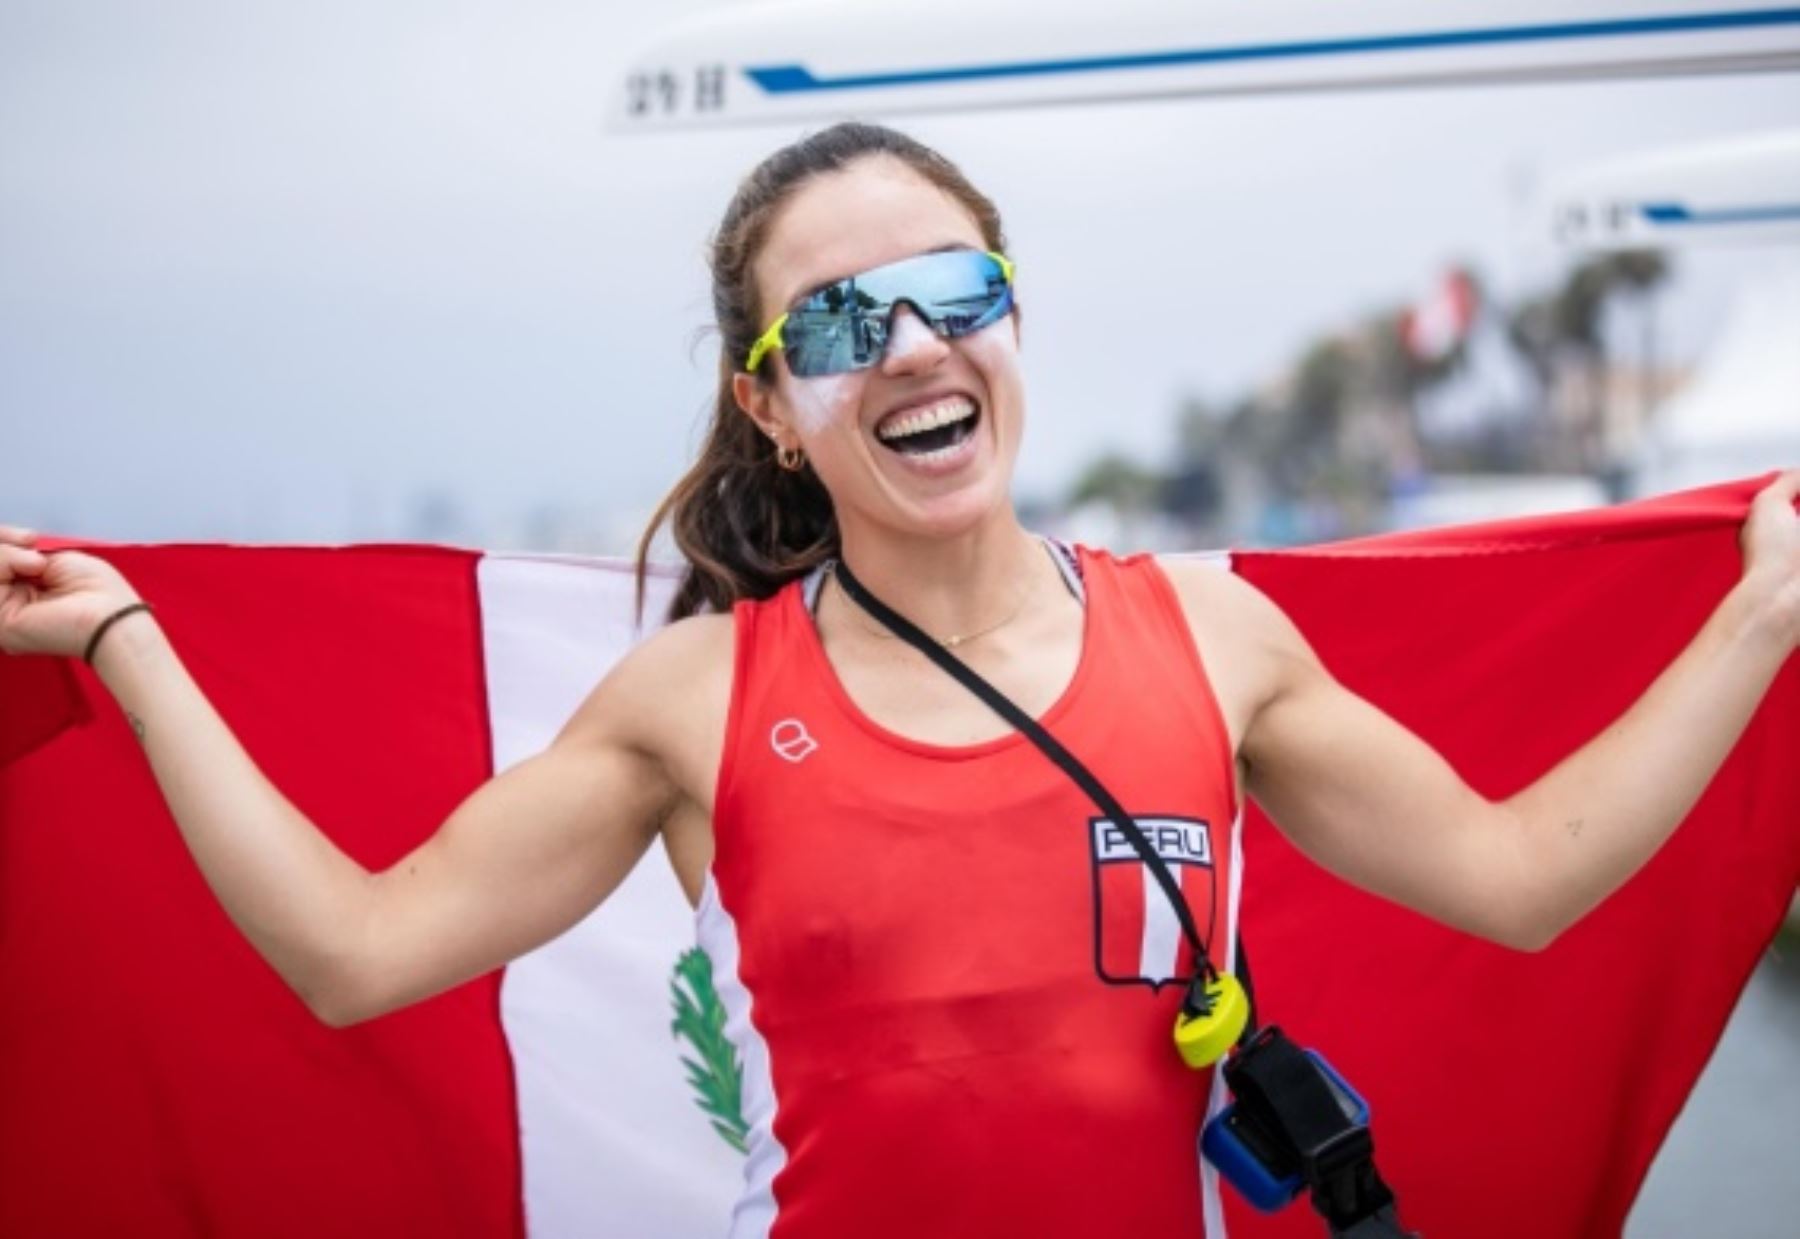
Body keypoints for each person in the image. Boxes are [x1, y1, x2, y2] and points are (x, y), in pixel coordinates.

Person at [0, 122, 1795, 1237]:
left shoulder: (1214, 638)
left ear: (1012, 315)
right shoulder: (693, 701)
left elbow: (1521, 878)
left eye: (956, 288)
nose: (917, 344)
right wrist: (129, 648)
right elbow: (356, 954)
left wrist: (1763, 617)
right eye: (844, 323)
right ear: (772, 405)